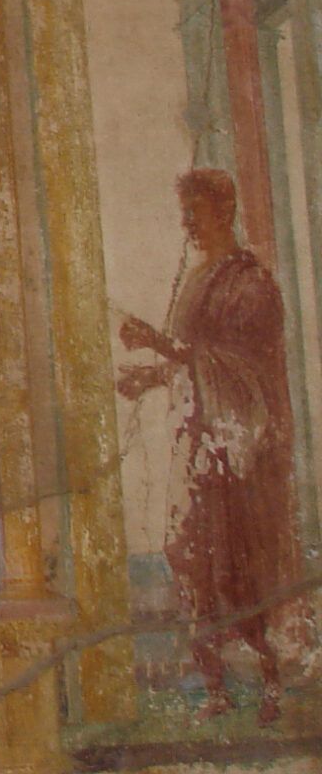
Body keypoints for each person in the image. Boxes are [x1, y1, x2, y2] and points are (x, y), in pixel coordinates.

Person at [117, 168, 300, 723]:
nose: (186, 224)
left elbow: (235, 367)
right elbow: (190, 364)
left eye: (194, 212)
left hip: (240, 450)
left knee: (240, 565)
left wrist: (157, 343)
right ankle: (216, 688)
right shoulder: (197, 281)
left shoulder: (251, 284)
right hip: (195, 442)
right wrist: (149, 377)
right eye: (183, 213)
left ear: (223, 211)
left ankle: (270, 683)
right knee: (188, 556)